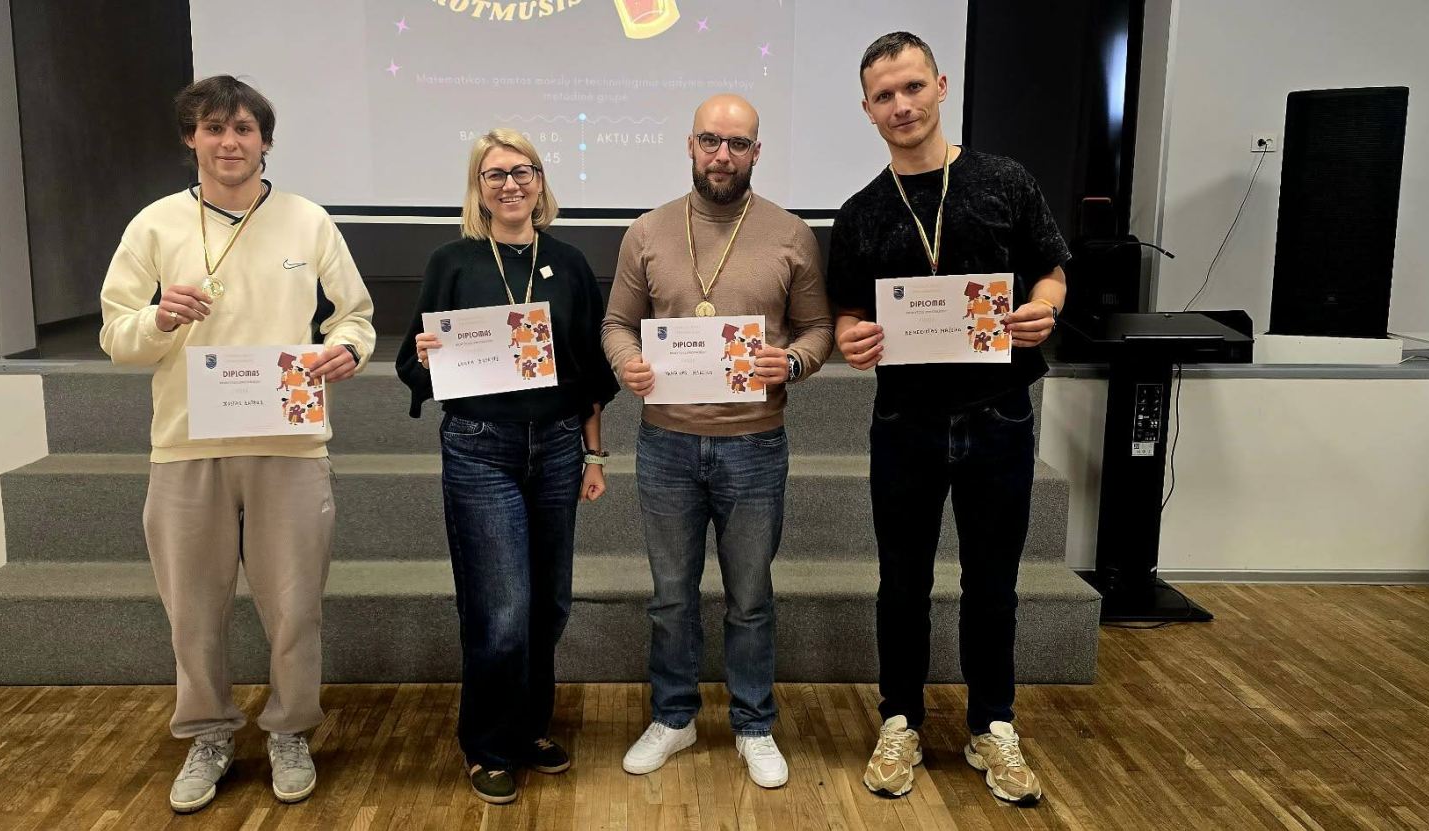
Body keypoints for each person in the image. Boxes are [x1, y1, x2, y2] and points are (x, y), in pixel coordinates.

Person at [98, 75, 375, 813]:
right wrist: (158, 319)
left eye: (244, 129)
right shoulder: (154, 225)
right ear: (190, 138)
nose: (230, 142)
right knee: (192, 612)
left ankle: (290, 730)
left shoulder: (307, 221)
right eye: (214, 128)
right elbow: (116, 336)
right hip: (187, 445)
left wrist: (348, 348)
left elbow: (355, 316)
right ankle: (207, 733)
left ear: (265, 141)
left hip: (290, 444)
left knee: (295, 608)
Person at [827, 32, 1069, 806]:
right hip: (905, 422)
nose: (901, 105)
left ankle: (992, 724)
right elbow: (847, 315)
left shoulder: (1004, 181)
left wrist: (1044, 308)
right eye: (884, 96)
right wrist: (850, 339)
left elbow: (1051, 271)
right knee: (901, 583)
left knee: (992, 583)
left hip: (999, 416)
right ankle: (899, 719)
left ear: (940, 84)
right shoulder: (860, 212)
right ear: (867, 110)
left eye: (911, 87)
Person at [601, 94, 834, 790]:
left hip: (754, 447)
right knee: (671, 597)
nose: (722, 156)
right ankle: (673, 717)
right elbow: (617, 323)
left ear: (757, 151)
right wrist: (626, 363)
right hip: (666, 444)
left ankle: (753, 723)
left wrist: (793, 361)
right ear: (690, 145)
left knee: (750, 597)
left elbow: (818, 329)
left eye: (737, 144)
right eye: (711, 141)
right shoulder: (647, 232)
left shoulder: (791, 234)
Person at [395, 128, 619, 804]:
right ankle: (489, 744)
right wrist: (428, 356)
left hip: (557, 446)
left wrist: (594, 453)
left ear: (541, 181)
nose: (511, 184)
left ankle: (527, 729)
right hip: (480, 446)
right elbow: (412, 363)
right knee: (502, 606)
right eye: (495, 174)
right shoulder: (452, 261)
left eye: (523, 171)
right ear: (479, 187)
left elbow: (588, 370)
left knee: (549, 602)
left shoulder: (569, 263)